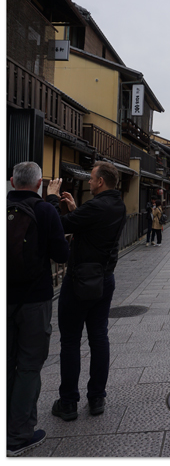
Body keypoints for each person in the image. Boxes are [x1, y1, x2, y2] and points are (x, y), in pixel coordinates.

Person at [46, 161, 126, 421]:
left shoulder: (96, 206)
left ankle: (68, 402)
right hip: (105, 278)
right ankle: (96, 398)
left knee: (70, 340)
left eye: (91, 179)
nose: (89, 182)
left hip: (80, 279)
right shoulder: (117, 205)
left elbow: (60, 226)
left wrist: (50, 198)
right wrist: (74, 210)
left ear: (101, 181)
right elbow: (89, 227)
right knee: (99, 338)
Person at [7, 162, 70, 457]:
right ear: (39, 184)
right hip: (35, 298)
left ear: (11, 182)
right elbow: (61, 254)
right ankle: (19, 434)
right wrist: (54, 205)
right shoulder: (45, 210)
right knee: (29, 364)